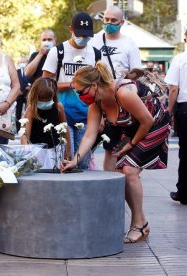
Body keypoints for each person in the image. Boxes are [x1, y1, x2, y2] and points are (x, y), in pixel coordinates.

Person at [62, 62, 169, 243]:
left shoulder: (122, 93)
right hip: (135, 128)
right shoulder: (96, 104)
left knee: (129, 171)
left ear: (94, 86)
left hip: (154, 123)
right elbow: (89, 135)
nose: (79, 97)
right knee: (121, 172)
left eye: (80, 92)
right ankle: (142, 222)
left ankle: (138, 225)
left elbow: (147, 121)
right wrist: (75, 160)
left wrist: (131, 143)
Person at [42, 12, 100, 169]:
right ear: (71, 30)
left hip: (87, 115)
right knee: (66, 159)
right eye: (80, 34)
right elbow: (45, 83)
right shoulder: (58, 51)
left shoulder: (95, 53)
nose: (83, 38)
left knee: (83, 162)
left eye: (87, 36)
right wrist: (70, 84)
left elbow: (100, 85)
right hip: (63, 115)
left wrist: (102, 118)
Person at [91, 5, 142, 171]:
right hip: (99, 100)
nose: (109, 23)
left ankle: (113, 185)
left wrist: (126, 77)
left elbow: (137, 73)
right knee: (94, 143)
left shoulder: (129, 43)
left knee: (112, 150)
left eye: (113, 21)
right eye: (106, 19)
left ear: (122, 22)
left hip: (121, 100)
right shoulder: (94, 40)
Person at [20, 77, 70, 169]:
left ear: (53, 95)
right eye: (41, 98)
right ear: (35, 96)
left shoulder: (58, 107)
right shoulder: (31, 109)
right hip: (37, 150)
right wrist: (26, 150)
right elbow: (25, 134)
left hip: (55, 149)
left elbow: (65, 129)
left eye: (48, 99)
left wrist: (68, 152)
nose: (45, 101)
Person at [165, 27, 187, 205]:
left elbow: (174, 89)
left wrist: (169, 111)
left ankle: (184, 192)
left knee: (185, 151)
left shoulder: (180, 59)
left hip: (184, 108)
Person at [15, 57, 32, 131]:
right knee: (18, 112)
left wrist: (30, 86)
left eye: (24, 62)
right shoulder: (16, 72)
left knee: (28, 111)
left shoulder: (30, 71)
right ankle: (18, 129)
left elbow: (32, 80)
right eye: (21, 62)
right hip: (19, 95)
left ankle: (27, 127)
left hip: (28, 95)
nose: (23, 63)